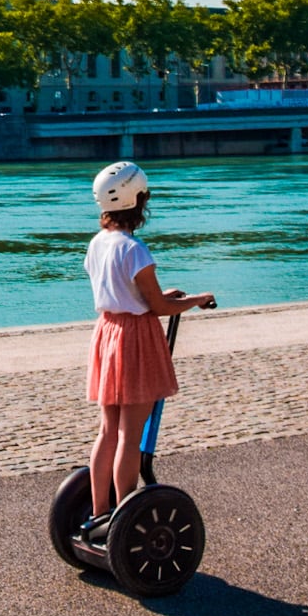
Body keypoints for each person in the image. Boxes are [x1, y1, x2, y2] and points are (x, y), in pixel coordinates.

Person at [78, 161, 216, 544]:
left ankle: (99, 512)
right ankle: (125, 519)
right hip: (135, 339)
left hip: (108, 332)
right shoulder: (135, 249)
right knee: (130, 436)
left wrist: (166, 297)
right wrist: (196, 300)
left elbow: (127, 294)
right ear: (136, 200)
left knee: (108, 431)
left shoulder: (97, 243)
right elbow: (155, 307)